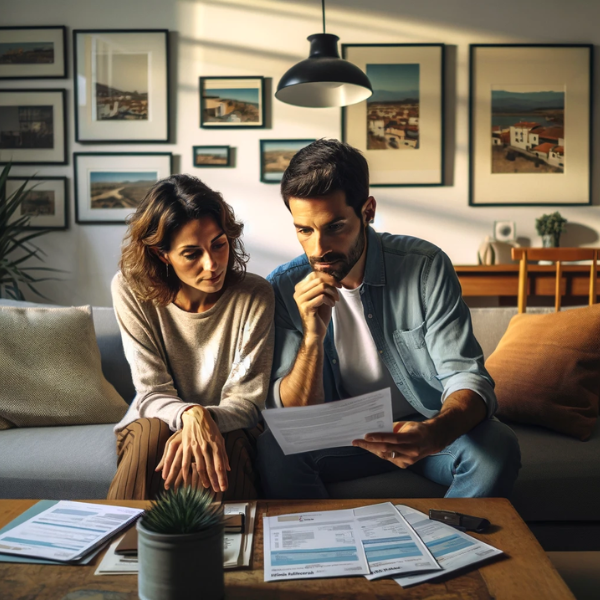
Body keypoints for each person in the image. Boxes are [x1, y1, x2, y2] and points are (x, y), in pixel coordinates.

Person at [257, 139, 521, 499]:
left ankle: (447, 547)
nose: (318, 249)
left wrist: (434, 433)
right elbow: (296, 419)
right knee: (275, 449)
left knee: (498, 447)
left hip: (426, 426)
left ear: (367, 211)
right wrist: (312, 337)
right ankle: (323, 551)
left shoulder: (424, 267)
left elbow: (466, 376)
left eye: (335, 227)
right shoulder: (284, 286)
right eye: (304, 230)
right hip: (341, 435)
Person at [107, 174, 274, 501]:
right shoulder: (130, 289)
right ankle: (113, 547)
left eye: (219, 244)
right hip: (155, 419)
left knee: (224, 444)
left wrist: (205, 420)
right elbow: (152, 391)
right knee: (151, 436)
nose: (212, 265)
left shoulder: (255, 295)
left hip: (230, 423)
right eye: (191, 253)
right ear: (161, 254)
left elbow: (247, 401)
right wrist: (189, 415)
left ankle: (236, 551)